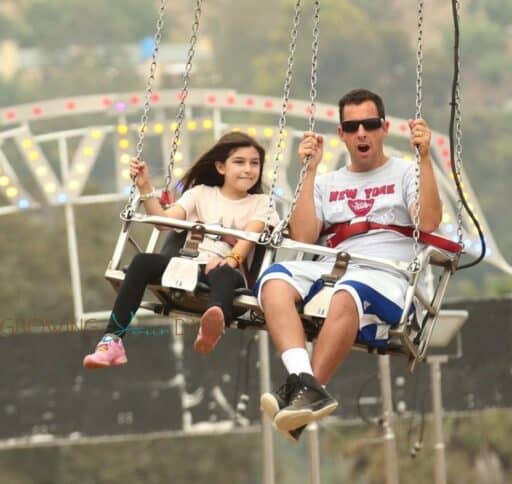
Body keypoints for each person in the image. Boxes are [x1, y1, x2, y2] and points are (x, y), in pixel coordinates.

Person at [255, 88, 442, 441]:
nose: (361, 133)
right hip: (336, 264)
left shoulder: (406, 173)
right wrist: (308, 173)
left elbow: (429, 221)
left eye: (369, 125)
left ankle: (305, 394)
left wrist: (426, 158)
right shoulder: (327, 183)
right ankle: (303, 382)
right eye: (352, 126)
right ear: (341, 134)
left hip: (386, 273)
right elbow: (305, 235)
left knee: (347, 294)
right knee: (273, 282)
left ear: (384, 128)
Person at [83, 131, 280, 369]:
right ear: (220, 167)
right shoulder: (200, 194)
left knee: (225, 274)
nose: (248, 169)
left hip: (224, 269)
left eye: (254, 163)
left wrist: (229, 259)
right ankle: (112, 340)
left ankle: (212, 323)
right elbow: (164, 222)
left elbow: (250, 236)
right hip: (187, 263)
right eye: (239, 162)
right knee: (142, 262)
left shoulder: (261, 203)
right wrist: (145, 187)